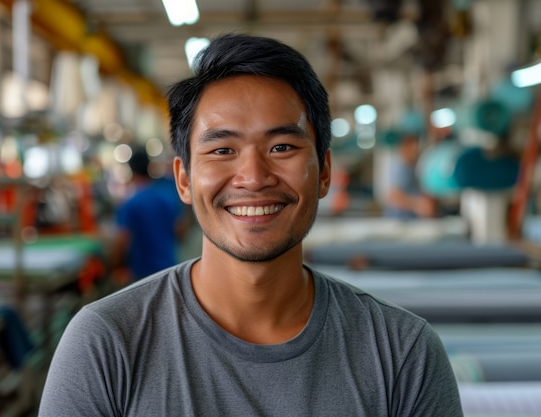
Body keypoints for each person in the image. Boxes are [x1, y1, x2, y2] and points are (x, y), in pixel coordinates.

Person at [39, 33, 463, 416]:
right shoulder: (106, 343)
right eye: (222, 150)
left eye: (281, 146)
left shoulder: (403, 352)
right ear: (184, 179)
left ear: (325, 172)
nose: (254, 176)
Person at [111, 146, 189, 283]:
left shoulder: (129, 204)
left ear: (132, 171)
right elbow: (180, 231)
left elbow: (122, 241)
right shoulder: (167, 197)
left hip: (143, 275)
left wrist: (115, 267)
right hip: (170, 268)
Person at [383, 133, 438, 219]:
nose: (415, 151)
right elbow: (393, 196)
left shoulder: (411, 166)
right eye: (413, 147)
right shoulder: (401, 168)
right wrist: (418, 205)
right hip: (401, 221)